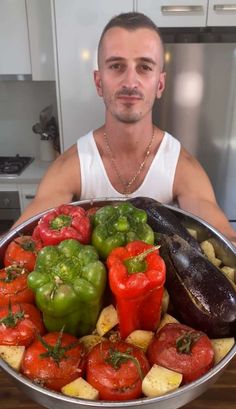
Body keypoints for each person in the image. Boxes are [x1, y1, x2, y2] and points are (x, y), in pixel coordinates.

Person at [12, 12, 236, 244]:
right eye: (117, 66)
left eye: (145, 67)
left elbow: (225, 239)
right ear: (99, 82)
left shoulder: (181, 167)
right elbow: (18, 240)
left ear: (159, 84)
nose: (130, 82)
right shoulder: (72, 166)